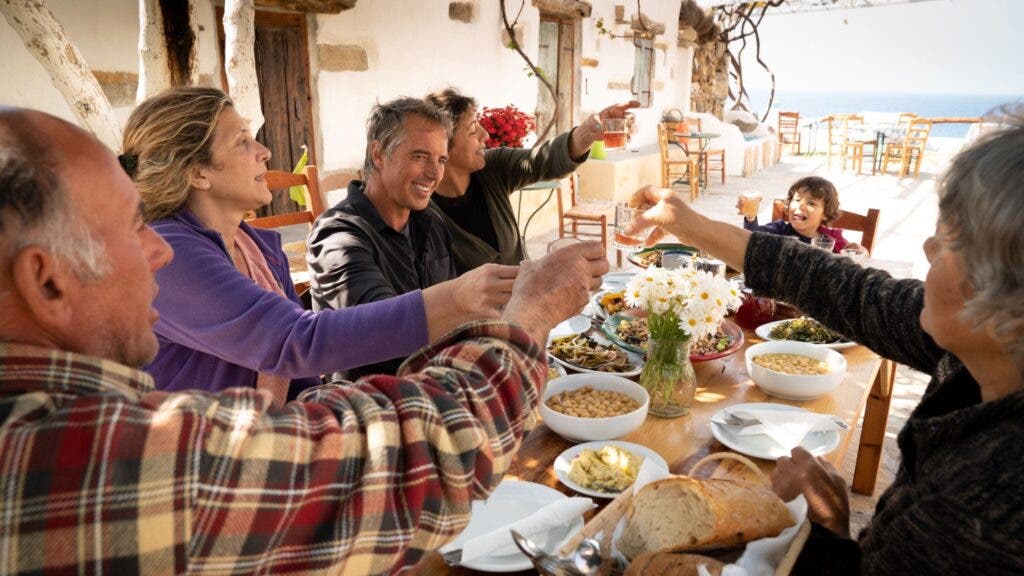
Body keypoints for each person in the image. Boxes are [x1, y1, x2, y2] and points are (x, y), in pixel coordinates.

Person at [0, 106, 608, 574]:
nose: (154, 249)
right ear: (46, 281)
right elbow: (407, 446)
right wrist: (521, 317)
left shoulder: (267, 240)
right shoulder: (86, 458)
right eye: (132, 229)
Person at [623, 118, 1024, 574]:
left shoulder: (984, 508)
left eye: (955, 239)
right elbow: (844, 288)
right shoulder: (987, 351)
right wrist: (688, 223)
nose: (930, 247)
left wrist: (829, 533)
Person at [122, 87, 511, 403]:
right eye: (243, 142)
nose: (265, 152)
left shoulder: (254, 246)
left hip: (276, 434)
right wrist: (462, 298)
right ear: (196, 172)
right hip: (204, 470)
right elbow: (297, 341)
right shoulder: (167, 254)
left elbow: (301, 380)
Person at [307, 97, 520, 380]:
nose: (433, 174)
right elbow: (382, 333)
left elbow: (455, 322)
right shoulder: (337, 236)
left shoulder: (430, 221)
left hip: (438, 383)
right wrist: (463, 297)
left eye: (441, 159)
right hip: (372, 404)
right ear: (379, 154)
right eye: (419, 156)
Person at [425, 87, 639, 273]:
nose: (485, 135)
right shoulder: (421, 210)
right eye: (473, 130)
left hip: (526, 309)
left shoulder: (493, 168)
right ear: (443, 146)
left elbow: (544, 160)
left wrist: (589, 131)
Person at [735, 176, 865, 254]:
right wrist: (751, 217)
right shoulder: (779, 231)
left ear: (825, 214)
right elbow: (751, 240)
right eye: (797, 199)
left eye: (811, 203)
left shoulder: (831, 242)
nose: (800, 206)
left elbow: (852, 258)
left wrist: (861, 251)